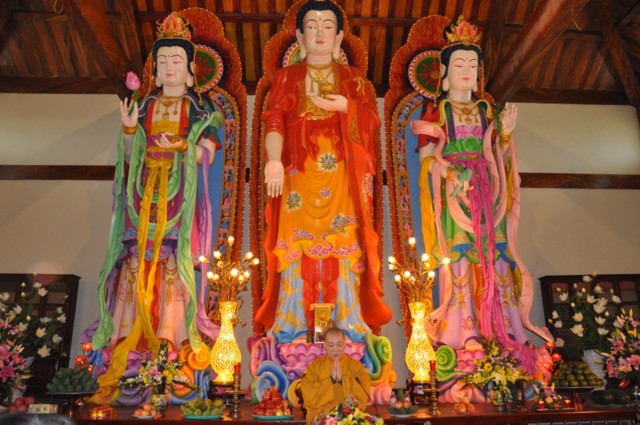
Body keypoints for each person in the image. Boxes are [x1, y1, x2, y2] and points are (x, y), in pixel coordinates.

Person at [86, 12, 222, 395]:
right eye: (163, 61)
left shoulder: (201, 110)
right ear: (155, 71)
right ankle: (128, 336)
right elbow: (131, 155)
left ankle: (170, 338)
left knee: (173, 262)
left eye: (177, 60)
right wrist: (130, 129)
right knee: (135, 259)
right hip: (143, 193)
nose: (169, 67)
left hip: (179, 194)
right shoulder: (144, 107)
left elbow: (207, 153)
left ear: (191, 72)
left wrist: (184, 146)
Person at [410, 16, 552, 372]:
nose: (466, 71)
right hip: (455, 194)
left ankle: (505, 330)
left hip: (488, 193)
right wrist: (451, 173)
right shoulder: (435, 110)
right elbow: (426, 159)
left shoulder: (487, 109)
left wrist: (505, 134)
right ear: (444, 73)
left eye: (472, 65)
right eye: (459, 64)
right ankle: (464, 333)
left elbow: (498, 156)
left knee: (496, 257)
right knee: (460, 258)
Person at [254, 0, 391, 343]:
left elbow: (371, 124)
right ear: (300, 36)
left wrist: (348, 107)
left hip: (341, 176)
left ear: (339, 36)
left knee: (344, 244)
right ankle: (292, 326)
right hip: (298, 175)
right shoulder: (286, 77)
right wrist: (273, 160)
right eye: (311, 26)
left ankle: (346, 324)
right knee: (294, 246)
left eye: (327, 26)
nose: (319, 32)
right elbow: (274, 121)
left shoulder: (354, 80)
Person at [300, 327, 370, 422]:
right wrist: (330, 380)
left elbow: (364, 395)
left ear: (345, 345)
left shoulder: (356, 367)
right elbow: (308, 394)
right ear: (325, 346)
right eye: (331, 345)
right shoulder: (315, 367)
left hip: (348, 419)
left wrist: (342, 380)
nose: (335, 349)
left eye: (339, 345)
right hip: (323, 419)